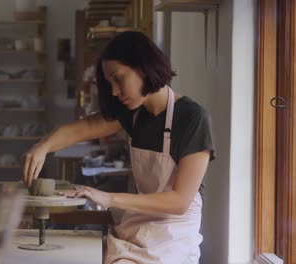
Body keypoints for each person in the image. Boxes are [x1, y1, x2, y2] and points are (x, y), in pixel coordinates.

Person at [21, 31, 215, 263]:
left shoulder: (192, 117)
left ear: (143, 67)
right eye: (110, 82)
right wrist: (43, 146)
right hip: (138, 226)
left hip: (174, 239)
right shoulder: (134, 114)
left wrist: (109, 198)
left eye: (119, 78)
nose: (114, 90)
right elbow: (85, 127)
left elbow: (179, 202)